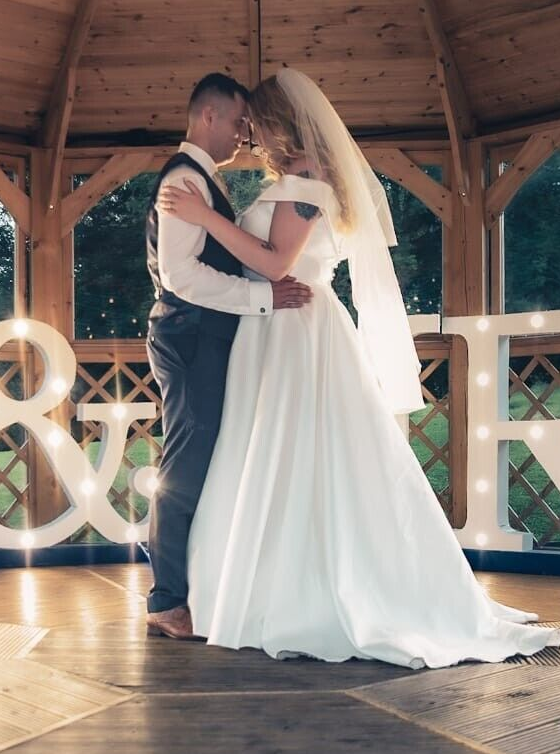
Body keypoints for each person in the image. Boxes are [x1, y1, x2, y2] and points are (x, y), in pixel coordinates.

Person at [156, 68, 560, 668]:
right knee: (272, 457)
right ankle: (257, 581)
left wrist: (209, 217)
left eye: (258, 124)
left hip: (295, 332)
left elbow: (274, 265)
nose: (251, 137)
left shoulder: (309, 183)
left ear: (281, 123)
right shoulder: (294, 179)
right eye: (245, 125)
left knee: (300, 457)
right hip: (271, 332)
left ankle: (307, 589)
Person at [142, 73, 314, 639]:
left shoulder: (204, 183)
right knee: (183, 469)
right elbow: (181, 276)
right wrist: (263, 296)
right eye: (239, 122)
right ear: (209, 116)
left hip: (206, 337)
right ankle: (167, 601)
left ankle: (200, 587)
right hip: (189, 336)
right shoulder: (186, 179)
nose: (245, 134)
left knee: (203, 463)